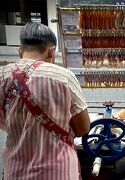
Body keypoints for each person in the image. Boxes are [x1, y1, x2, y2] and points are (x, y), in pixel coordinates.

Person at [0, 22, 90, 180]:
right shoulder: (64, 76)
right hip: (58, 171)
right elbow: (83, 128)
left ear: (20, 51)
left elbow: (3, 123)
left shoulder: (2, 75)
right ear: (51, 51)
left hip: (16, 171)